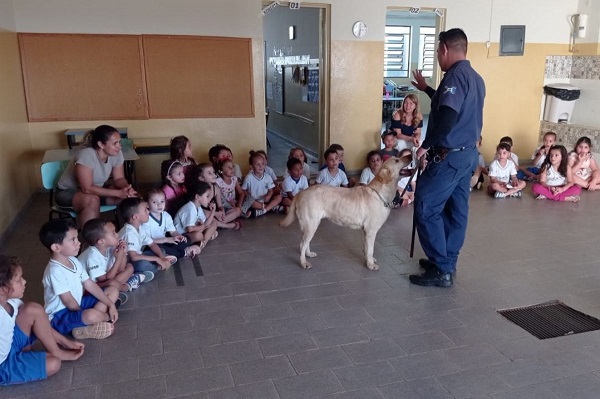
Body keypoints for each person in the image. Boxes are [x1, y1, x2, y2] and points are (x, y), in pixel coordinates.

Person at [409, 28, 485, 288]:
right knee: (456, 210)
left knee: (426, 206)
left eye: (437, 52)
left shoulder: (454, 76)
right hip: (467, 156)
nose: (437, 57)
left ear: (444, 49)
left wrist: (425, 147)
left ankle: (441, 268)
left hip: (449, 157)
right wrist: (427, 89)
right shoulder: (475, 77)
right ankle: (447, 261)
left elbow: (448, 118)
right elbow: (449, 106)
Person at [0, 255, 84, 385]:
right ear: (3, 290)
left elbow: (42, 323)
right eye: (18, 280)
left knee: (33, 309)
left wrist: (66, 342)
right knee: (53, 364)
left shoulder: (12, 301)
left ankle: (55, 351)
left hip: (10, 345)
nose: (24, 282)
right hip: (2, 365)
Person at [39, 219, 124, 340]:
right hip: (61, 315)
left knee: (113, 291)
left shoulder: (73, 260)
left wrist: (110, 304)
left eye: (77, 238)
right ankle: (102, 318)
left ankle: (85, 326)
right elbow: (68, 301)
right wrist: (105, 312)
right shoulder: (55, 271)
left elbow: (90, 284)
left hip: (79, 303)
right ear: (56, 247)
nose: (78, 243)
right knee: (90, 315)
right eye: (73, 240)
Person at [56, 125, 137, 227]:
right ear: (101, 144)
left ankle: (128, 236)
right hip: (67, 192)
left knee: (128, 198)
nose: (119, 146)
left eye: (119, 142)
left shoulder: (117, 154)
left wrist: (126, 189)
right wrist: (118, 192)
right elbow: (87, 188)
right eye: (115, 143)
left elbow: (119, 179)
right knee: (92, 199)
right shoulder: (87, 155)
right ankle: (91, 241)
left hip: (95, 190)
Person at [78, 218, 153, 292]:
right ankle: (126, 286)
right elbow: (106, 279)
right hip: (90, 287)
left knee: (129, 267)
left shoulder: (108, 247)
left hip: (107, 278)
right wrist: (119, 258)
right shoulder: (92, 257)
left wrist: (123, 252)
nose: (117, 235)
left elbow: (121, 269)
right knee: (111, 283)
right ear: (101, 241)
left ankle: (120, 286)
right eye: (113, 233)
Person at [118, 197, 175, 274]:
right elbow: (133, 257)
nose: (148, 212)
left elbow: (152, 244)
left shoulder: (139, 227)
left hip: (138, 256)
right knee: (141, 265)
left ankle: (161, 263)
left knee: (161, 251)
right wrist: (157, 259)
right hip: (127, 263)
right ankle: (157, 267)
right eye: (145, 210)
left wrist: (162, 257)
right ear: (135, 217)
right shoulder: (129, 233)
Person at [143, 189, 202, 258]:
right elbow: (147, 241)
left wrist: (178, 236)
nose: (159, 205)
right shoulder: (145, 218)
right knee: (159, 249)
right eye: (154, 202)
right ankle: (183, 253)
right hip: (151, 245)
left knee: (183, 241)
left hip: (165, 242)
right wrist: (166, 239)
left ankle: (172, 253)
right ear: (147, 204)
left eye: (162, 201)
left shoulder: (166, 215)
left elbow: (173, 231)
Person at [189, 163, 243, 229]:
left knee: (238, 210)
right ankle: (225, 225)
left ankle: (219, 223)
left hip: (216, 215)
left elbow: (220, 205)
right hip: (206, 215)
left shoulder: (215, 188)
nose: (214, 175)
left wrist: (221, 212)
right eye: (209, 173)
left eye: (213, 172)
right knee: (205, 214)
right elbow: (198, 210)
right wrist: (215, 214)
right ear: (201, 178)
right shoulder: (199, 190)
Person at [174, 181, 219, 246]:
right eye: (207, 196)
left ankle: (204, 242)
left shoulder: (198, 207)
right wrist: (202, 227)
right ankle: (205, 238)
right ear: (197, 197)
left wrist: (213, 211)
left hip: (193, 231)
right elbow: (189, 229)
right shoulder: (189, 209)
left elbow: (205, 224)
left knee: (214, 223)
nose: (209, 199)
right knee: (198, 235)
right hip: (181, 236)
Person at [242, 151, 284, 217]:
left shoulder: (268, 177)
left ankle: (263, 211)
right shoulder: (249, 177)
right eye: (258, 164)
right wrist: (249, 196)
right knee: (250, 201)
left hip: (265, 200)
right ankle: (271, 207)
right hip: (255, 201)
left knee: (279, 197)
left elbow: (271, 190)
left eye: (262, 164)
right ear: (251, 167)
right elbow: (243, 190)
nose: (261, 166)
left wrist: (269, 196)